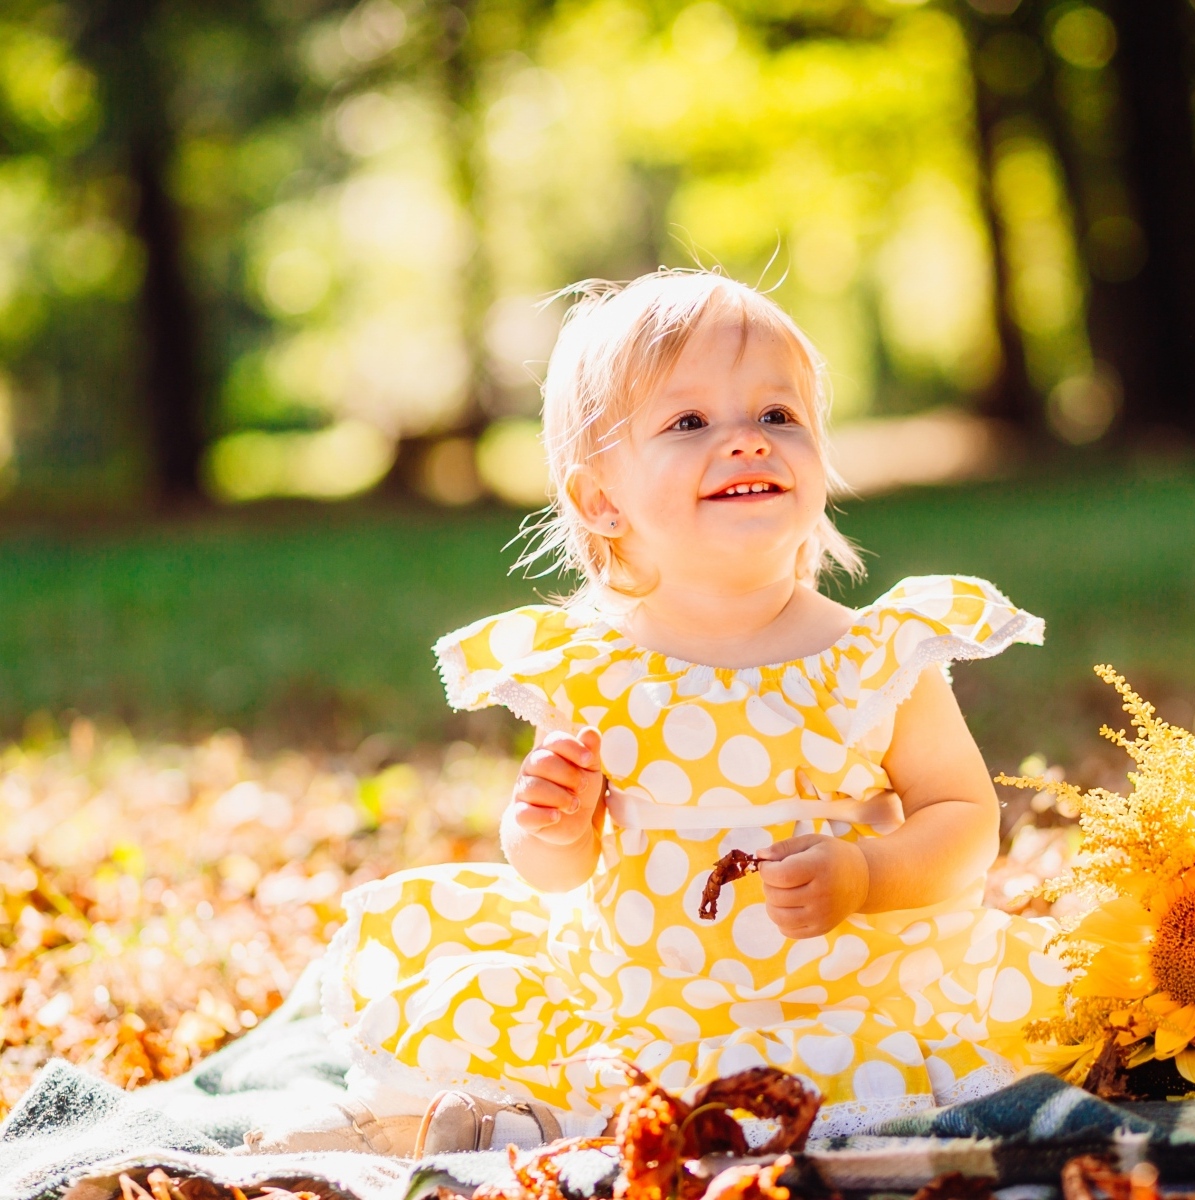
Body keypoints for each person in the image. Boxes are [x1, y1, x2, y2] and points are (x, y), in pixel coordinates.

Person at [248, 270, 1064, 1156]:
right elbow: (556, 870)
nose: (747, 440)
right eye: (689, 422)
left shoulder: (875, 658)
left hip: (847, 993)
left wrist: (869, 874)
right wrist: (551, 824)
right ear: (602, 500)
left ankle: (523, 1128)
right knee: (559, 1056)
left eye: (778, 414)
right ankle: (430, 1121)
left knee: (855, 1082)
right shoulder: (595, 668)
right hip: (635, 994)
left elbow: (964, 818)